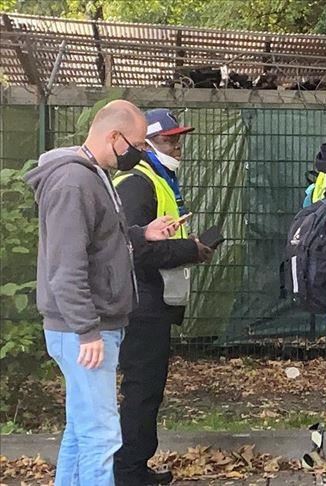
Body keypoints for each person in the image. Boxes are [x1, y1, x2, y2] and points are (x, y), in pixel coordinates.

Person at [24, 100, 179, 486]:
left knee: (81, 430)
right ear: (114, 136)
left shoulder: (94, 175)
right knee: (102, 436)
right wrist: (87, 330)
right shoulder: (73, 182)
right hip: (83, 330)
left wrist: (141, 234)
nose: (141, 152)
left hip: (86, 326)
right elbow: (66, 267)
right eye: (138, 144)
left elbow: (97, 243)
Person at [111, 109, 214, 486]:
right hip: (141, 304)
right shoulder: (137, 183)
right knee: (141, 389)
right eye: (170, 139)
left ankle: (133, 467)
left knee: (145, 388)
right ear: (147, 143)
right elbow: (135, 248)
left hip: (150, 300)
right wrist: (189, 249)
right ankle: (128, 472)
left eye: (179, 138)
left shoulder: (156, 178)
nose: (178, 146)